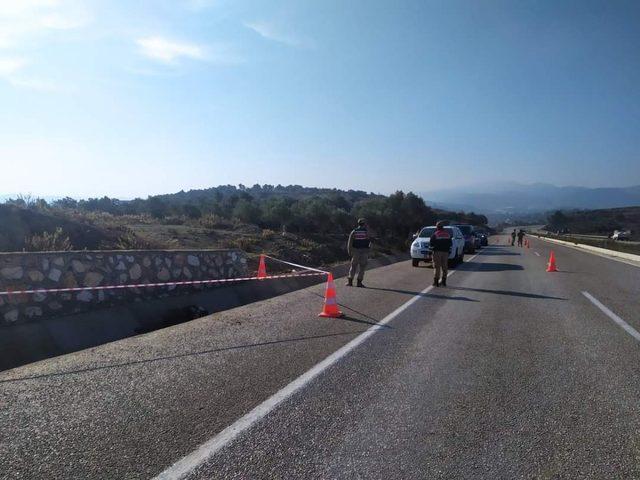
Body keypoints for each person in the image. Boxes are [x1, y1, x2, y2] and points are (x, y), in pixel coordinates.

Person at [346, 218, 371, 287]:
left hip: (355, 251)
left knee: (353, 266)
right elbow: (370, 241)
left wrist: (349, 251)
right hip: (364, 251)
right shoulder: (366, 232)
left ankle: (350, 282)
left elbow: (349, 243)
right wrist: (369, 250)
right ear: (364, 224)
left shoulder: (354, 231)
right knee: (362, 267)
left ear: (358, 224)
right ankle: (359, 283)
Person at [430, 221, 452, 287]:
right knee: (444, 267)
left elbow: (431, 244)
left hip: (437, 252)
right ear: (443, 227)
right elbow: (450, 244)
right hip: (445, 253)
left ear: (437, 227)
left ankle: (436, 282)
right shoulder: (447, 235)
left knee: (437, 267)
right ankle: (444, 282)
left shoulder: (435, 234)